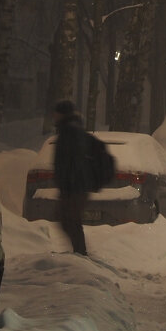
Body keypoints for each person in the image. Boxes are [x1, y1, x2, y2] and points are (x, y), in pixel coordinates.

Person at [52, 100, 93, 256]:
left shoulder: (70, 131)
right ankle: (80, 252)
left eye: (56, 113)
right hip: (75, 186)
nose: (53, 116)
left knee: (69, 220)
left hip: (74, 186)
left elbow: (72, 160)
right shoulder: (70, 130)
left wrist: (68, 182)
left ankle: (80, 253)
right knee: (70, 220)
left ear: (62, 114)